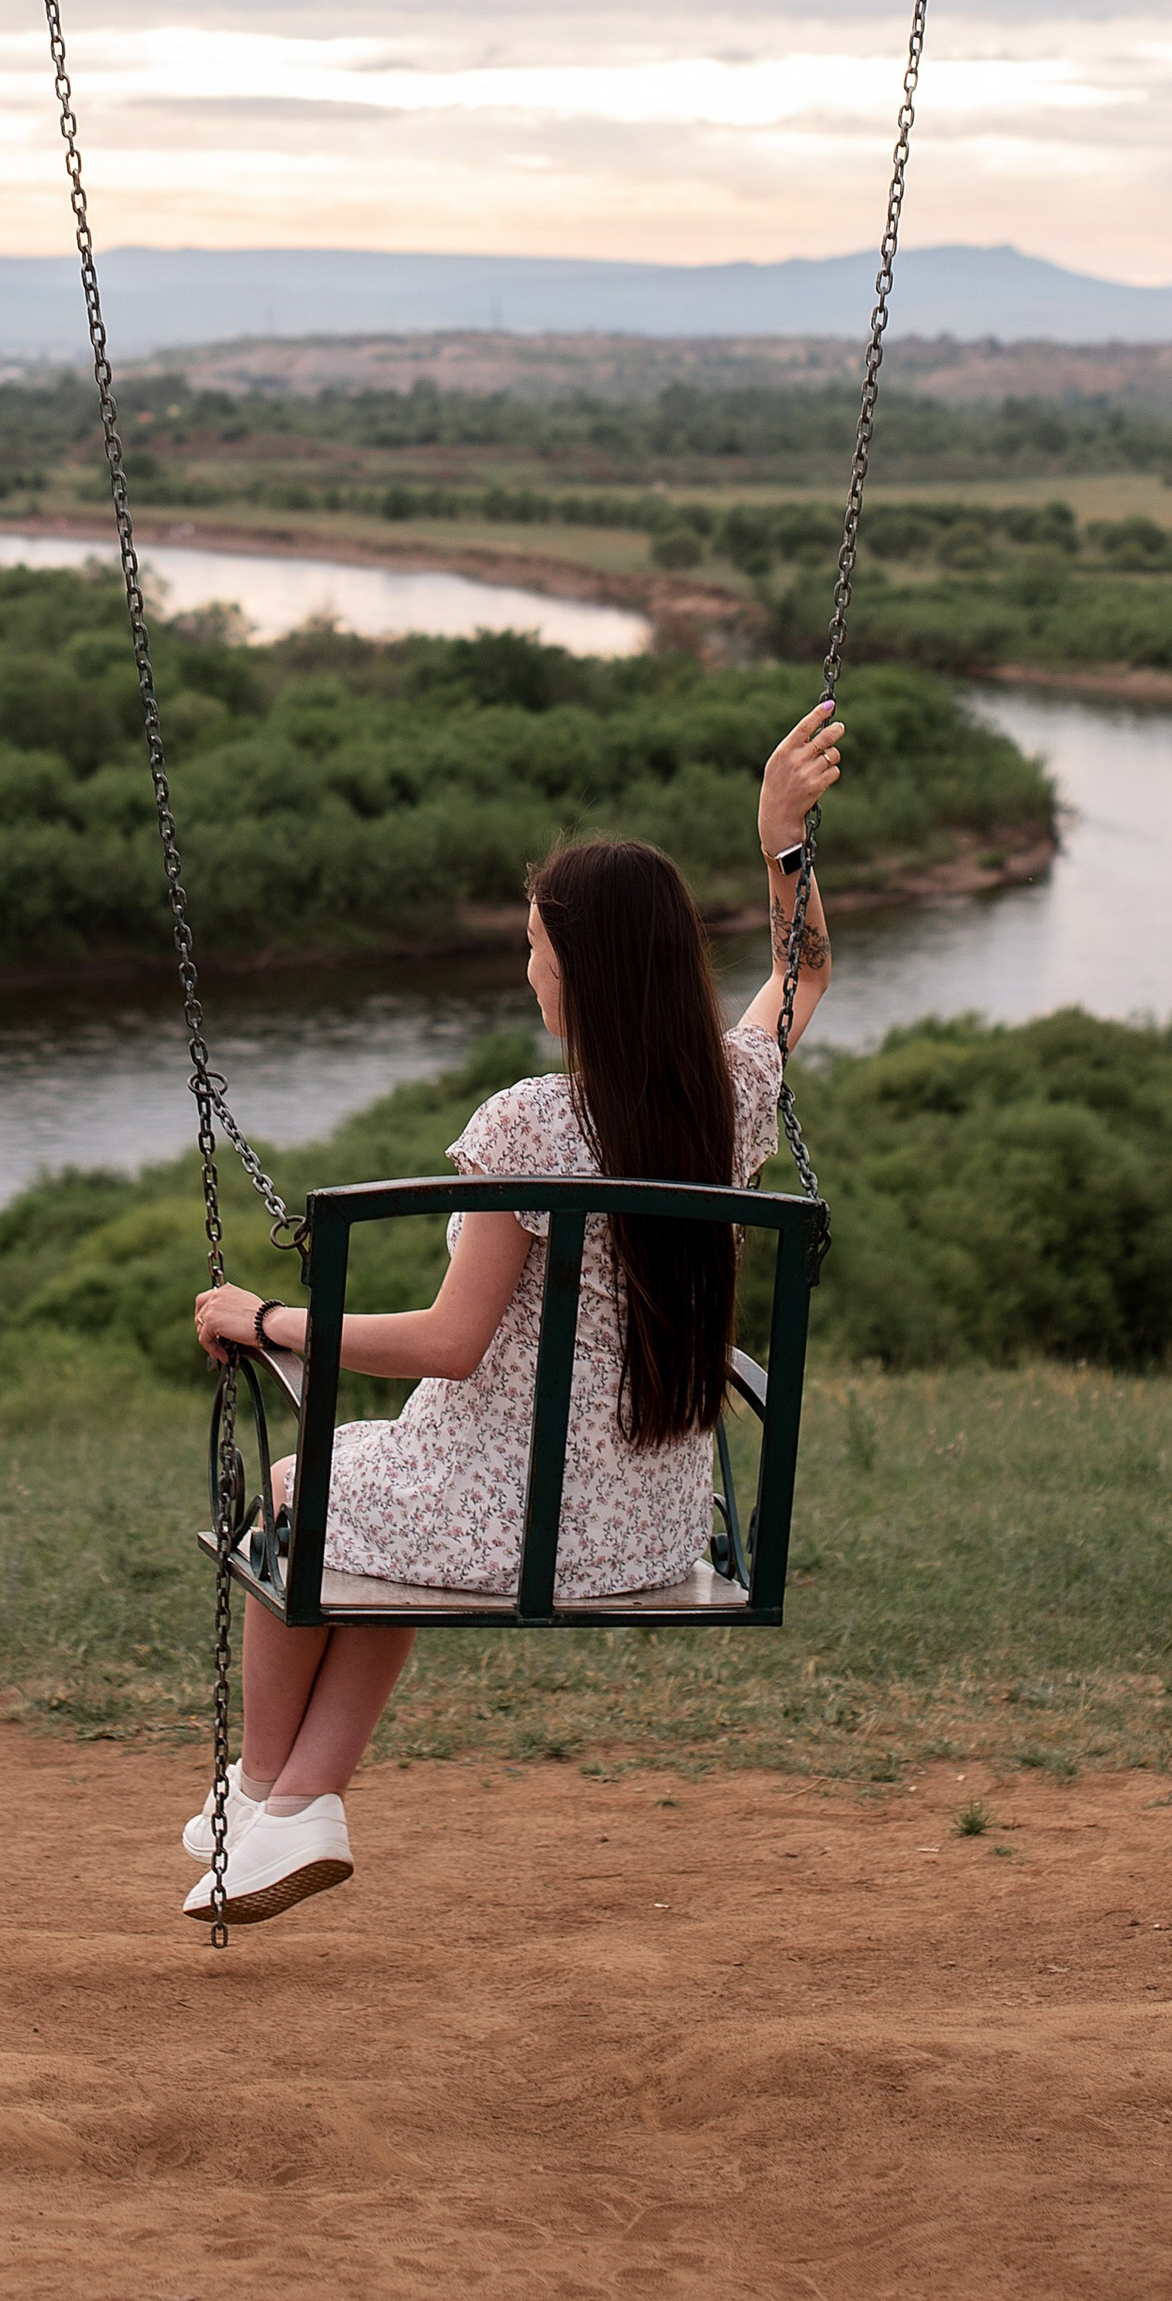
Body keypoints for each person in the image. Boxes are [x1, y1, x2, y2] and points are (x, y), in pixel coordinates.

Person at [182, 696, 844, 1925]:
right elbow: (800, 969)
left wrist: (265, 1315)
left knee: (302, 1491)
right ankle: (280, 1808)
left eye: (535, 944)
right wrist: (780, 837)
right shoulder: (734, 1098)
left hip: (528, 1515)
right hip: (645, 1525)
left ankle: (276, 1786)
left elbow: (446, 1342)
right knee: (386, 1506)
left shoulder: (527, 1121)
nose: (526, 963)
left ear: (579, 968)